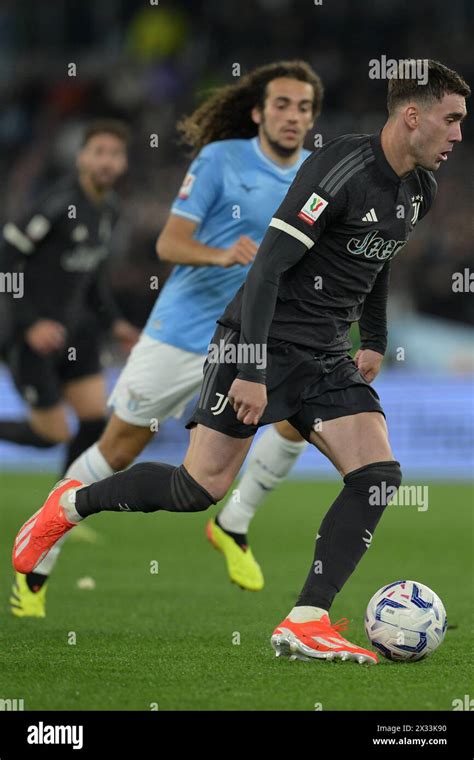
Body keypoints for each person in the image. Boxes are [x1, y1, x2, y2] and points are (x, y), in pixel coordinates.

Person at [13, 60, 469, 664]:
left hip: (326, 352)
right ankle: (67, 505)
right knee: (197, 487)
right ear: (413, 116)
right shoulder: (338, 170)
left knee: (378, 476)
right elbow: (266, 270)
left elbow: (380, 258)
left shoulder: (420, 189)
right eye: (453, 119)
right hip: (260, 341)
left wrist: (376, 338)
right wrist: (251, 370)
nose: (460, 135)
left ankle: (306, 618)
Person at [12, 60, 324, 616]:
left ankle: (233, 524)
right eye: (282, 104)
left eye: (304, 107)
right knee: (116, 450)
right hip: (183, 331)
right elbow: (170, 243)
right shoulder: (219, 161)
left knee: (299, 416)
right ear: (257, 112)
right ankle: (38, 564)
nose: (293, 116)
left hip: (253, 337)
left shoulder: (315, 175)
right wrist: (222, 254)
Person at [1, 120, 139, 616]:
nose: (106, 161)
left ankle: (55, 513)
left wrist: (118, 323)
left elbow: (94, 276)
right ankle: (49, 516)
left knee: (95, 422)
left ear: (123, 163)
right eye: (98, 151)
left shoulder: (111, 209)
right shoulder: (56, 203)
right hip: (31, 335)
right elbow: (7, 258)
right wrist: (30, 320)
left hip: (76, 335)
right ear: (82, 156)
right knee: (51, 432)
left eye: (115, 154)